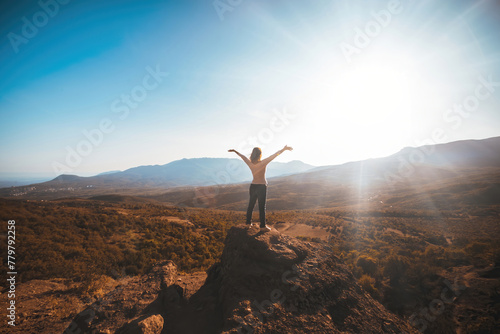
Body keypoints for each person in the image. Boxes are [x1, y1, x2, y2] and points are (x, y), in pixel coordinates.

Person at [228, 145, 293, 232]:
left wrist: (235, 151)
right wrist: (284, 149)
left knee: (251, 205)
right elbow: (274, 155)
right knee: (262, 207)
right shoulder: (263, 163)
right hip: (261, 186)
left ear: (252, 154)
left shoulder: (250, 163)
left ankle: (248, 223)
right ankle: (262, 226)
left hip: (253, 186)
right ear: (260, 155)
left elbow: (243, 157)